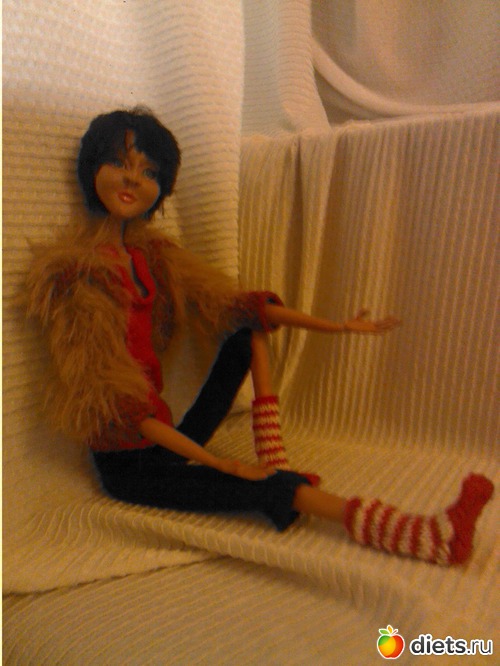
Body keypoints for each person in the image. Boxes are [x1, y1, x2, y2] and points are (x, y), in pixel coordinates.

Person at [26, 107, 493, 565]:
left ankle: (273, 452)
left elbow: (232, 305)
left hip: (165, 435)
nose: (132, 179)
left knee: (248, 326)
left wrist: (337, 325)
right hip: (130, 463)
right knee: (266, 488)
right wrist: (222, 464)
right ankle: (423, 534)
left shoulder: (154, 257)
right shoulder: (75, 275)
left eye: (148, 171)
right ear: (92, 169)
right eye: (119, 163)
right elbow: (111, 402)